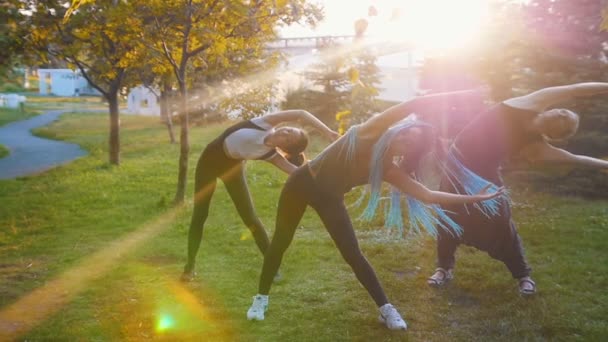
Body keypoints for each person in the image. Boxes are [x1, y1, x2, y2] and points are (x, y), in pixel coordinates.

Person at [246, 90, 506, 330]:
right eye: (405, 132)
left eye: (409, 142)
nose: (403, 137)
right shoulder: (368, 133)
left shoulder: (388, 168)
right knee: (281, 241)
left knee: (352, 253)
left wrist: (473, 198)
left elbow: (427, 195)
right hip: (301, 184)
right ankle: (261, 298)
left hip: (330, 198)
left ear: (410, 152)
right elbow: (412, 104)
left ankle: (386, 309)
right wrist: (456, 95)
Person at [426, 82, 608, 295]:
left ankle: (523, 275)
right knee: (448, 217)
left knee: (500, 220)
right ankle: (443, 269)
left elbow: (573, 158)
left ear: (559, 134)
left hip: (483, 175)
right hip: (455, 165)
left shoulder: (535, 145)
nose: (561, 114)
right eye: (563, 112)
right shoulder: (526, 104)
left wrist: (603, 165)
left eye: (565, 120)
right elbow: (574, 90)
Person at [181, 109, 338, 282]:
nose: (284, 132)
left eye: (288, 139)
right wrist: (327, 132)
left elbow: (296, 172)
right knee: (200, 214)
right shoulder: (264, 123)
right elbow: (301, 113)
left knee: (250, 218)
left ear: (285, 148)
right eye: (289, 130)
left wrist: (324, 176)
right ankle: (190, 266)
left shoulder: (271, 155)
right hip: (208, 163)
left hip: (232, 169)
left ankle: (273, 267)